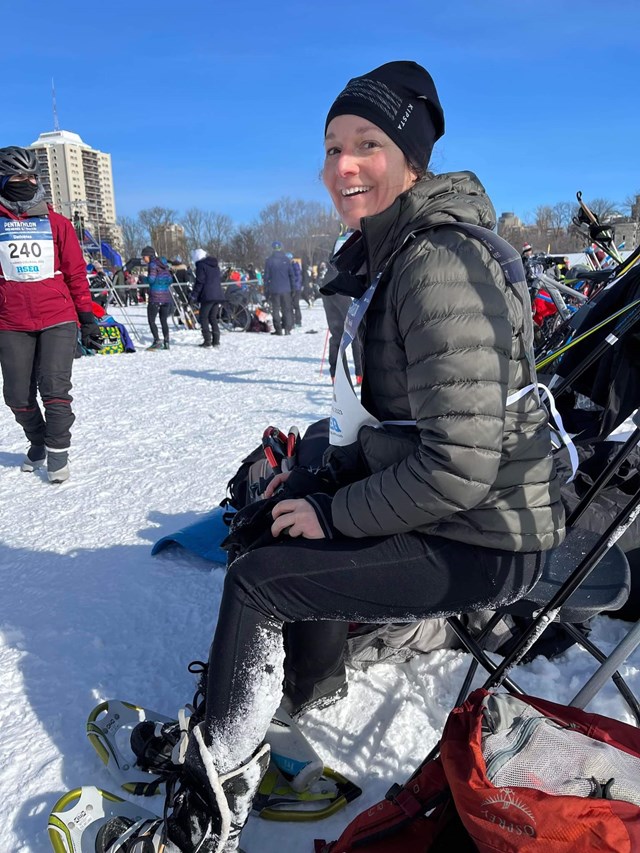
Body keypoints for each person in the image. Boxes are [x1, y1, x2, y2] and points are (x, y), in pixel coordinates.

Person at [108, 61, 565, 852]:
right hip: (458, 509)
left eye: (367, 144)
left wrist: (331, 512)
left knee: (260, 581)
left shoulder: (438, 263)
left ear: (411, 159)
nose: (342, 166)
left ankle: (205, 814)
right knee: (283, 498)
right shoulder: (388, 251)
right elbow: (388, 419)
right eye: (331, 147)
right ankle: (281, 696)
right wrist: (314, 480)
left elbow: (460, 466)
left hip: (490, 538)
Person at [0, 146, 102, 483]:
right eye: (18, 176)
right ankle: (38, 440)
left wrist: (87, 319)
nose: (27, 182)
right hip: (10, 321)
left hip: (57, 316)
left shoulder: (57, 223)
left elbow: (75, 273)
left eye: (31, 176)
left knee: (55, 386)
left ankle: (58, 451)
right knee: (16, 395)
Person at [141, 245, 173, 350]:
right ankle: (167, 342)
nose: (143, 259)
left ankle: (156, 341)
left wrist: (143, 278)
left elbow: (151, 280)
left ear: (149, 256)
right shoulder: (164, 265)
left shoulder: (152, 265)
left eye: (143, 256)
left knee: (151, 320)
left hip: (155, 297)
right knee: (163, 320)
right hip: (166, 297)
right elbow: (170, 280)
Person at [191, 248, 224, 348]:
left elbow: (200, 282)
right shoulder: (215, 265)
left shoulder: (201, 265)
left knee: (203, 317)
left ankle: (207, 341)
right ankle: (216, 341)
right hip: (217, 294)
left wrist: (194, 295)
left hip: (207, 295)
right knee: (213, 317)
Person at [264, 240, 295, 335]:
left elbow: (266, 277)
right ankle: (287, 329)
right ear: (281, 248)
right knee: (286, 309)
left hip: (274, 289)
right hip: (286, 289)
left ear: (273, 248)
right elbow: (291, 275)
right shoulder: (286, 259)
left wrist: (266, 290)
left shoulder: (269, 260)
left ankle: (278, 329)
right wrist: (292, 288)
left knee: (276, 309)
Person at [286, 252, 303, 326]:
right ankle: (292, 321)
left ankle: (298, 321)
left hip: (296, 288)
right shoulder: (288, 266)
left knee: (296, 304)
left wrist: (294, 285)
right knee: (290, 305)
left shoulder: (295, 265)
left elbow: (297, 277)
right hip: (291, 288)